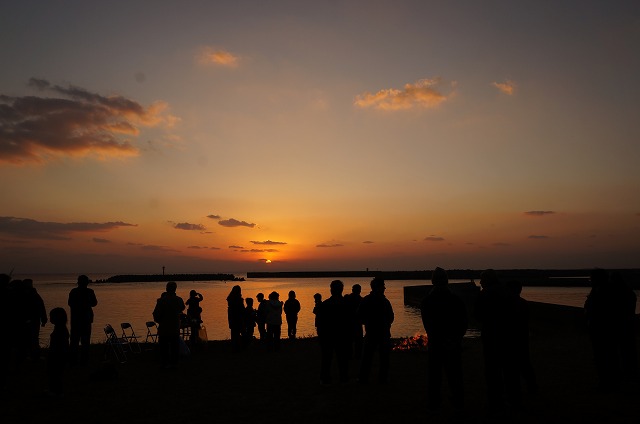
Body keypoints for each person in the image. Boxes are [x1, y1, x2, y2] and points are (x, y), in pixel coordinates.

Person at [420, 267, 468, 413]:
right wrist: (456, 338)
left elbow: (427, 324)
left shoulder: (427, 301)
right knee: (454, 375)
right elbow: (463, 322)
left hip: (436, 343)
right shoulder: (455, 299)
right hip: (452, 342)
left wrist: (437, 338)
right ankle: (458, 400)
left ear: (433, 281)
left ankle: (434, 402)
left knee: (435, 375)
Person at [474, 269, 520, 414]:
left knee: (492, 371)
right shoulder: (507, 293)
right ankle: (513, 400)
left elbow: (477, 315)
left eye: (481, 280)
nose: (480, 283)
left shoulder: (484, 295)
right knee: (510, 370)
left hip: (491, 336)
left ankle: (495, 402)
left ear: (487, 280)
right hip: (508, 336)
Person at [584, 268, 638, 391]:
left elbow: (605, 311)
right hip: (601, 329)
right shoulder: (601, 291)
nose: (590, 281)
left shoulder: (604, 292)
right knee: (608, 356)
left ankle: (609, 382)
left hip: (603, 330)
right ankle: (612, 380)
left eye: (591, 279)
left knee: (605, 356)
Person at [358, 277, 394, 384]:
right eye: (383, 286)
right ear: (378, 287)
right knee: (383, 359)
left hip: (373, 333)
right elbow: (391, 317)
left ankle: (363, 379)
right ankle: (382, 379)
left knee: (367, 358)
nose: (384, 288)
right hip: (381, 333)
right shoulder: (384, 301)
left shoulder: (366, 300)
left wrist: (367, 323)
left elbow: (359, 315)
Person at [506, 279, 538, 394]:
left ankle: (520, 389)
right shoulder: (523, 302)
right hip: (522, 337)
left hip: (514, 338)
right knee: (524, 363)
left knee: (516, 365)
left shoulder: (512, 303)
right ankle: (531, 386)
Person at [317, 280, 350, 385]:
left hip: (328, 336)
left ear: (331, 290)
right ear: (341, 290)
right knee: (342, 359)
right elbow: (351, 321)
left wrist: (321, 336)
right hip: (342, 336)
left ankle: (325, 378)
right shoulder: (346, 304)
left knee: (327, 359)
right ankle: (343, 378)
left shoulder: (325, 304)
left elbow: (320, 322)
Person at [152, 281, 185, 368]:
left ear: (166, 289)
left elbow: (156, 314)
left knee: (164, 347)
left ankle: (165, 363)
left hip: (164, 327)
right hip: (175, 327)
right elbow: (182, 308)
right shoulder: (179, 300)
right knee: (174, 346)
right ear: (175, 289)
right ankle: (174, 363)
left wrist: (159, 320)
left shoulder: (161, 301)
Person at [67, 275, 97, 365]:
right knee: (84, 341)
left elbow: (70, 303)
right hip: (84, 319)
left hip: (77, 320)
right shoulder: (89, 292)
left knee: (75, 341)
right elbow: (94, 303)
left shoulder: (74, 291)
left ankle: (74, 360)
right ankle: (82, 361)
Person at [46, 307, 69, 397]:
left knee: (54, 373)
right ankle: (55, 390)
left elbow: (59, 345)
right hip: (58, 355)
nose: (50, 319)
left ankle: (56, 392)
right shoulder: (61, 328)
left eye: (51, 316)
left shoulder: (60, 330)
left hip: (57, 355)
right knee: (54, 373)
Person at [344, 283, 364, 359]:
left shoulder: (347, 298)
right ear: (359, 291)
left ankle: (349, 355)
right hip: (357, 323)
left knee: (349, 341)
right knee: (358, 341)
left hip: (349, 323)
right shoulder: (361, 300)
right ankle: (357, 356)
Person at [227, 285, 244, 352]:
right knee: (238, 332)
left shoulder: (230, 299)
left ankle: (234, 346)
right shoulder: (239, 300)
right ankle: (237, 346)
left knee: (233, 333)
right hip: (238, 317)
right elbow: (242, 309)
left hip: (232, 317)